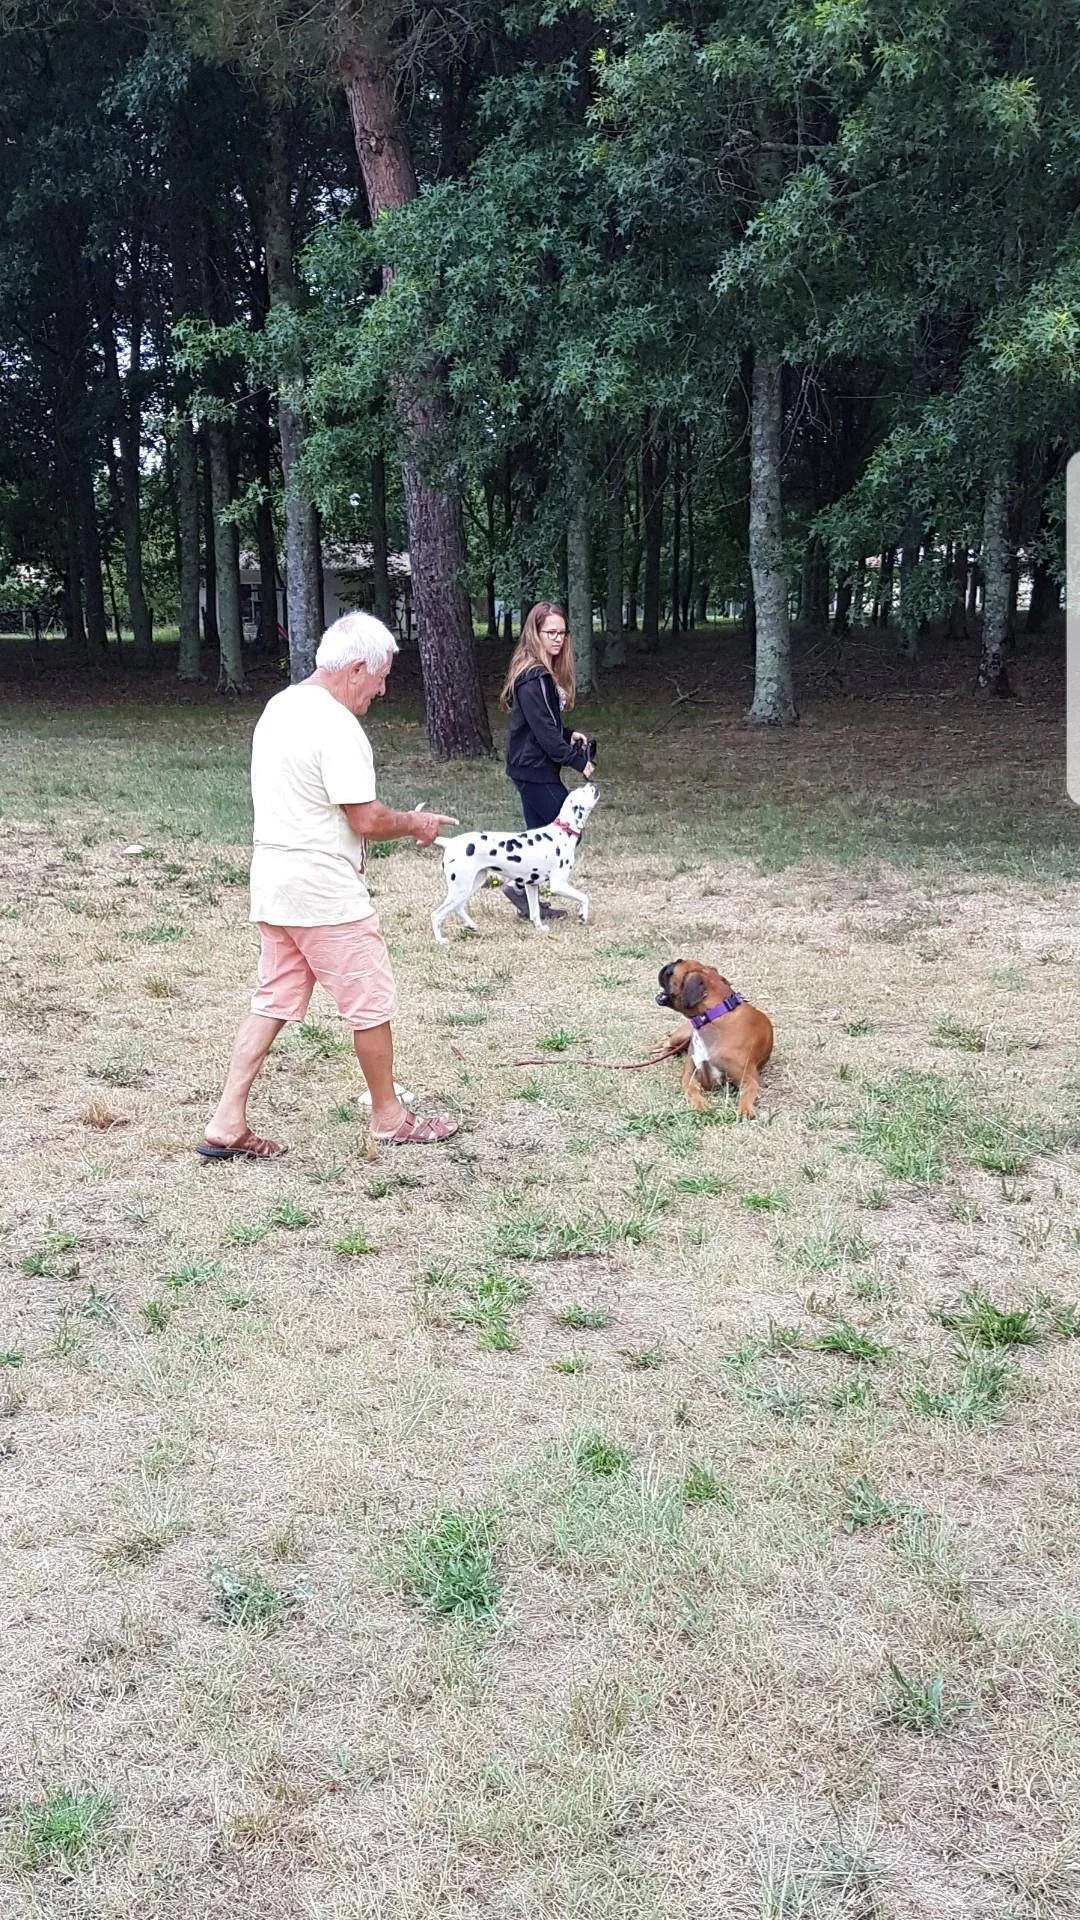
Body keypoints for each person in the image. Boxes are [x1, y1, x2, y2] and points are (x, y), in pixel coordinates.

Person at [199, 611, 460, 1158]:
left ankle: (226, 1121)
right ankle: (389, 1117)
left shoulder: (280, 706)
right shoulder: (338, 725)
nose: (384, 689)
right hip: (323, 889)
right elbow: (366, 820)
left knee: (272, 999)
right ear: (357, 667)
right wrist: (417, 823)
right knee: (371, 1002)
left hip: (273, 881)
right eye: (382, 676)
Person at [499, 601, 595, 920]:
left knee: (539, 833)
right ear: (535, 633)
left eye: (562, 633)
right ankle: (521, 886)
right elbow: (542, 733)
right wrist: (579, 762)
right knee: (566, 830)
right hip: (533, 768)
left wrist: (568, 733)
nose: (557, 639)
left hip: (530, 766)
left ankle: (528, 897)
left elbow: (545, 725)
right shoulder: (533, 676)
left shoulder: (539, 674)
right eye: (549, 632)